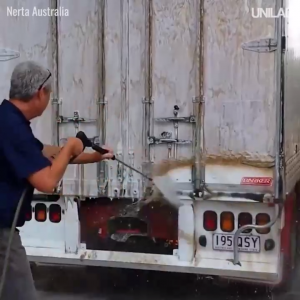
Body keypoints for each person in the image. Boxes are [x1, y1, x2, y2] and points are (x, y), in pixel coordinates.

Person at [0, 61, 114, 300]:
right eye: (49, 93)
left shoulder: (9, 120)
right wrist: (72, 145)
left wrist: (93, 157)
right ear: (40, 92)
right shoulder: (11, 127)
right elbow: (47, 181)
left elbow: (46, 153)